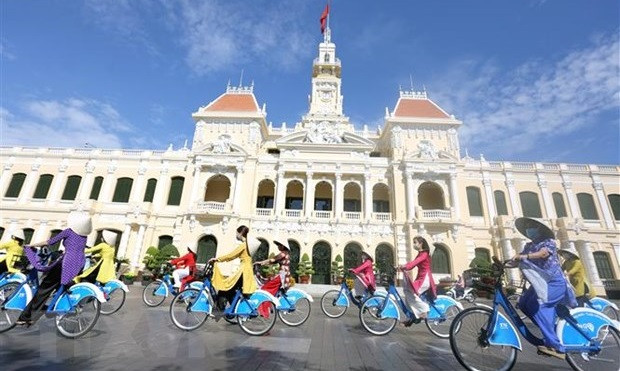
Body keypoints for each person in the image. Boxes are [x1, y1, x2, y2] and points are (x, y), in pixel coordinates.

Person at [511, 217, 575, 360]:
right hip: (539, 283)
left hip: (554, 282)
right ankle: (548, 331)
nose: (529, 229)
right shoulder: (529, 245)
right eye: (527, 226)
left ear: (540, 229)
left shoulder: (549, 242)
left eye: (532, 226)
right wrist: (505, 264)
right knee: (524, 304)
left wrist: (524, 256)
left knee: (541, 306)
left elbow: (543, 254)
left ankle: (556, 346)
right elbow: (519, 259)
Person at [17, 212, 92, 326]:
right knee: (59, 285)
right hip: (78, 263)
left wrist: (31, 245)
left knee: (44, 290)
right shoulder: (84, 236)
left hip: (66, 263)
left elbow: (50, 242)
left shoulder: (68, 231)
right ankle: (52, 307)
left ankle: (26, 317)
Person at [208, 225, 260, 310]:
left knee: (225, 288)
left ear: (240, 233)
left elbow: (231, 255)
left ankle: (223, 309)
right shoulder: (248, 245)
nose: (236, 235)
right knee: (230, 290)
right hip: (246, 271)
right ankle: (232, 309)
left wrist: (217, 259)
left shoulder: (244, 245)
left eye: (237, 233)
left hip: (243, 271)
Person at [398, 236, 437, 326]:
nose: (414, 244)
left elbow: (414, 263)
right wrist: (401, 266)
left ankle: (425, 310)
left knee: (409, 291)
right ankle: (412, 318)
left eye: (415, 242)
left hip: (425, 278)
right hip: (420, 277)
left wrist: (404, 267)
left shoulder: (424, 254)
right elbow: (411, 265)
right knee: (407, 294)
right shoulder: (420, 254)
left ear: (421, 243)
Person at [255, 240, 291, 317]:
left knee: (265, 289)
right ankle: (267, 308)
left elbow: (273, 260)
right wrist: (262, 262)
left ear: (282, 246)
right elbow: (273, 261)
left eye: (279, 245)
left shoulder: (283, 254)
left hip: (282, 276)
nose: (278, 246)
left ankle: (264, 311)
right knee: (269, 288)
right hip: (283, 276)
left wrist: (261, 263)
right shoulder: (285, 254)